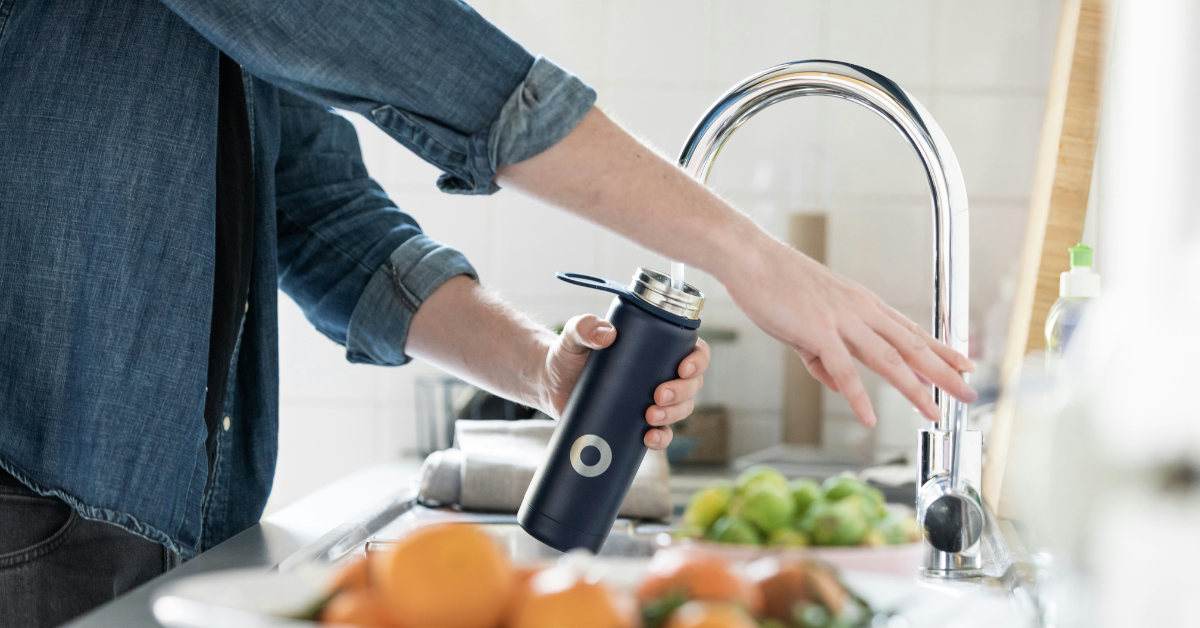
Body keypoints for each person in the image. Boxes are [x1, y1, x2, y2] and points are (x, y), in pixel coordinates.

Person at [0, 1, 976, 625]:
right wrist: (746, 253)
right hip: (26, 506)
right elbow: (407, 51)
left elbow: (318, 212)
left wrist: (541, 366)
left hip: (145, 524)